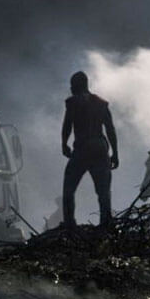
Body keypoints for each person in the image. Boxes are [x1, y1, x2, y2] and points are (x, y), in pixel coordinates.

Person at [62, 71, 118, 228]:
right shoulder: (101, 103)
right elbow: (110, 129)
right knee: (103, 192)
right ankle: (106, 223)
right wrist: (115, 153)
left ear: (75, 86)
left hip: (82, 148)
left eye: (72, 85)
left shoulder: (73, 103)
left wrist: (64, 144)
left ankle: (69, 225)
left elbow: (67, 125)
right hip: (100, 148)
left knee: (68, 190)